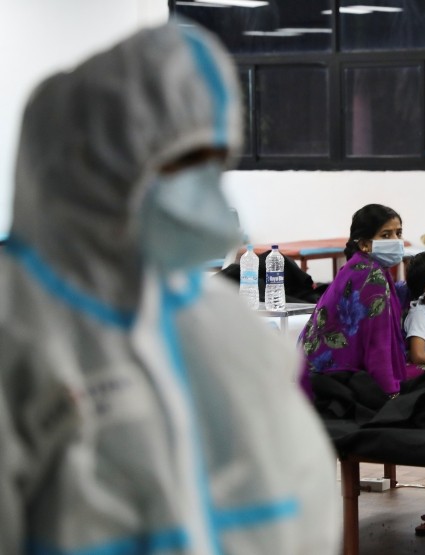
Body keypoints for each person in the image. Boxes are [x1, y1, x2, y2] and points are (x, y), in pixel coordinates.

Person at [0, 23, 340, 555]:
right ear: (90, 167)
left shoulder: (223, 327)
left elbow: (304, 502)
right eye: (182, 163)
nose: (202, 188)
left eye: (214, 160)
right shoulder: (18, 335)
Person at [299, 204, 422, 398]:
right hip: (332, 380)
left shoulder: (362, 265)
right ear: (365, 243)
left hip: (315, 371)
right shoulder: (371, 275)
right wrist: (391, 393)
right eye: (386, 235)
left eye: (399, 233)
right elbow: (377, 344)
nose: (397, 241)